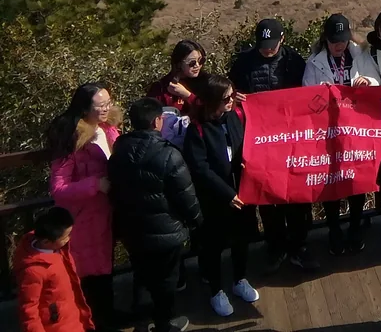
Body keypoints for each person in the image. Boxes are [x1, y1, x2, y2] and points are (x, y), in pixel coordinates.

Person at [229, 17, 317, 272]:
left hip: (293, 139)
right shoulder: (243, 62)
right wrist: (235, 97)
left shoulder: (294, 61)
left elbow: (308, 95)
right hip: (259, 141)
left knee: (298, 194)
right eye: (262, 44)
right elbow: (229, 92)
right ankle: (275, 246)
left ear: (283, 40)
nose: (267, 48)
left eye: (272, 43)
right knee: (269, 196)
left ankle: (300, 245)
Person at [108, 98, 201, 332]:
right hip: (165, 230)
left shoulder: (119, 151)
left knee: (141, 274)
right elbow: (185, 195)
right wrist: (197, 220)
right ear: (157, 121)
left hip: (132, 228)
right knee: (167, 280)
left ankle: (141, 321)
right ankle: (164, 323)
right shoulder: (169, 154)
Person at [302, 13, 381, 254]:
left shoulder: (361, 55)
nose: (339, 45)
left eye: (343, 40)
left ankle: (356, 226)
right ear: (325, 39)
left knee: (356, 179)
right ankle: (334, 229)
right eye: (334, 40)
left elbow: (377, 82)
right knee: (332, 182)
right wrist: (322, 94)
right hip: (327, 133)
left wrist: (367, 81)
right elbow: (306, 97)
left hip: (357, 129)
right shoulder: (314, 63)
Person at [182, 74, 260, 318]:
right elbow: (200, 168)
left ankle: (240, 279)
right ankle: (216, 290)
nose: (231, 100)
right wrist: (227, 194)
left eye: (232, 95)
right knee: (213, 247)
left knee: (241, 241)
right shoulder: (197, 130)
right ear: (213, 100)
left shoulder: (236, 117)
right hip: (215, 200)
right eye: (227, 97)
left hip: (243, 194)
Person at [46, 83, 122, 332]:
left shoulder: (109, 129)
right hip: (85, 221)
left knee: (105, 272)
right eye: (100, 105)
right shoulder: (71, 138)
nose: (106, 108)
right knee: (90, 278)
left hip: (108, 214)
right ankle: (95, 322)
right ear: (84, 108)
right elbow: (58, 188)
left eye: (108, 102)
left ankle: (107, 316)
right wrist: (95, 184)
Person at [14, 206, 93, 332]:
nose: (69, 239)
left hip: (73, 318)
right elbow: (29, 311)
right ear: (46, 241)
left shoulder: (58, 250)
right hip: (57, 325)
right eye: (65, 237)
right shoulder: (33, 271)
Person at [145, 40, 207, 116]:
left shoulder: (206, 82)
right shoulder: (160, 88)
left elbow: (211, 112)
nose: (197, 65)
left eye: (201, 61)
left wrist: (188, 95)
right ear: (179, 63)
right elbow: (149, 116)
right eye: (192, 63)